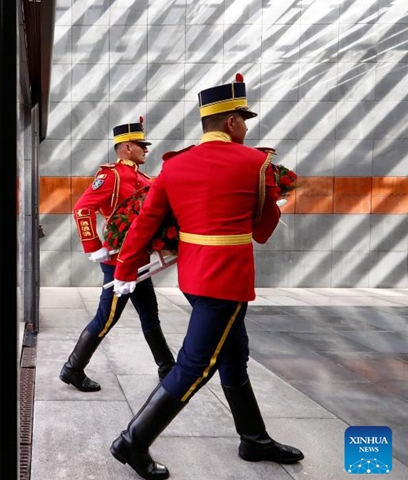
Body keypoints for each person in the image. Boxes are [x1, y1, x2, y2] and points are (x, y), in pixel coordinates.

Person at [109, 74, 304, 479]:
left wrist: (127, 268)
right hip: (227, 279)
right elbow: (262, 230)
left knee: (234, 355)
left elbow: (145, 222)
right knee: (195, 366)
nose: (247, 128)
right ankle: (133, 441)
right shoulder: (256, 163)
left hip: (194, 276)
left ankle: (253, 438)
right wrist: (276, 199)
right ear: (231, 122)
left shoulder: (174, 165)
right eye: (243, 120)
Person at [60, 119, 175, 393]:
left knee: (150, 315)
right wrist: (94, 246)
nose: (146, 150)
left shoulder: (145, 179)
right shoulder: (112, 176)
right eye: (141, 146)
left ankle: (167, 367)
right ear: (126, 148)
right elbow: (82, 209)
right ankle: (73, 369)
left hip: (138, 259)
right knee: (106, 318)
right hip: (118, 263)